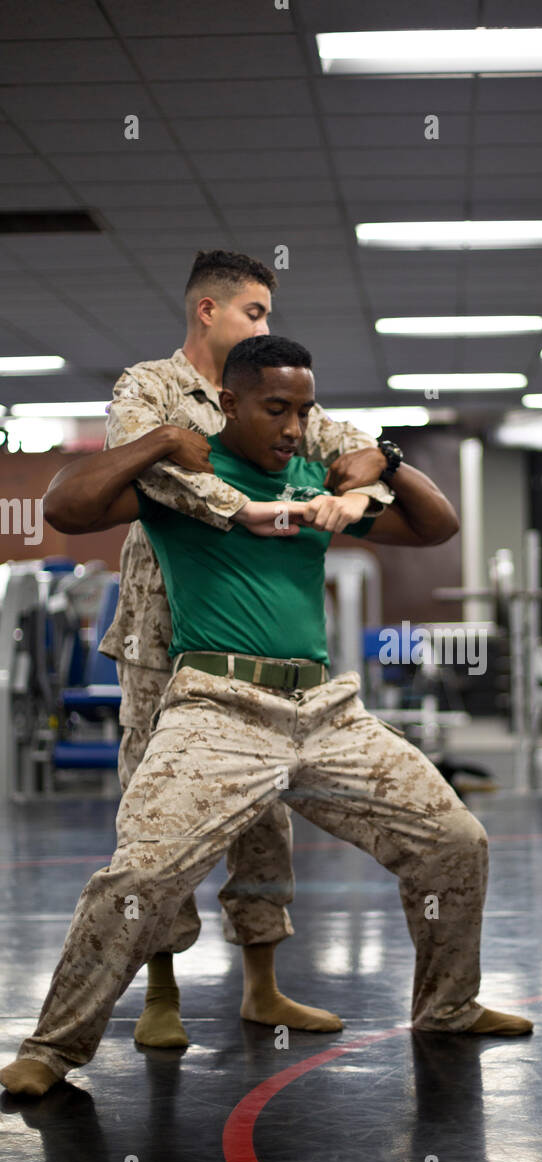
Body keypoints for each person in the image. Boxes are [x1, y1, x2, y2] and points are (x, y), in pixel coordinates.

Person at [1, 334, 532, 1098]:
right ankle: (51, 1049)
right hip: (218, 708)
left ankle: (448, 1007)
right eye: (276, 409)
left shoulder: (315, 474)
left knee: (455, 841)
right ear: (229, 404)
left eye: (303, 410)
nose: (292, 427)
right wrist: (157, 440)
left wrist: (388, 460)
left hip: (323, 708)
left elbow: (434, 526)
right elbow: (65, 505)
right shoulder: (186, 480)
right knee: (140, 875)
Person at [43, 249, 393, 1047]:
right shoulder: (150, 388)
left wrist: (366, 473)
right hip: (160, 631)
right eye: (255, 313)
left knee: (264, 802)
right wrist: (238, 505)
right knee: (153, 817)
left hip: (251, 625)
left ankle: (262, 987)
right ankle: (160, 993)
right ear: (209, 311)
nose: (266, 326)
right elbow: (157, 478)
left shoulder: (272, 394)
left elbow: (352, 446)